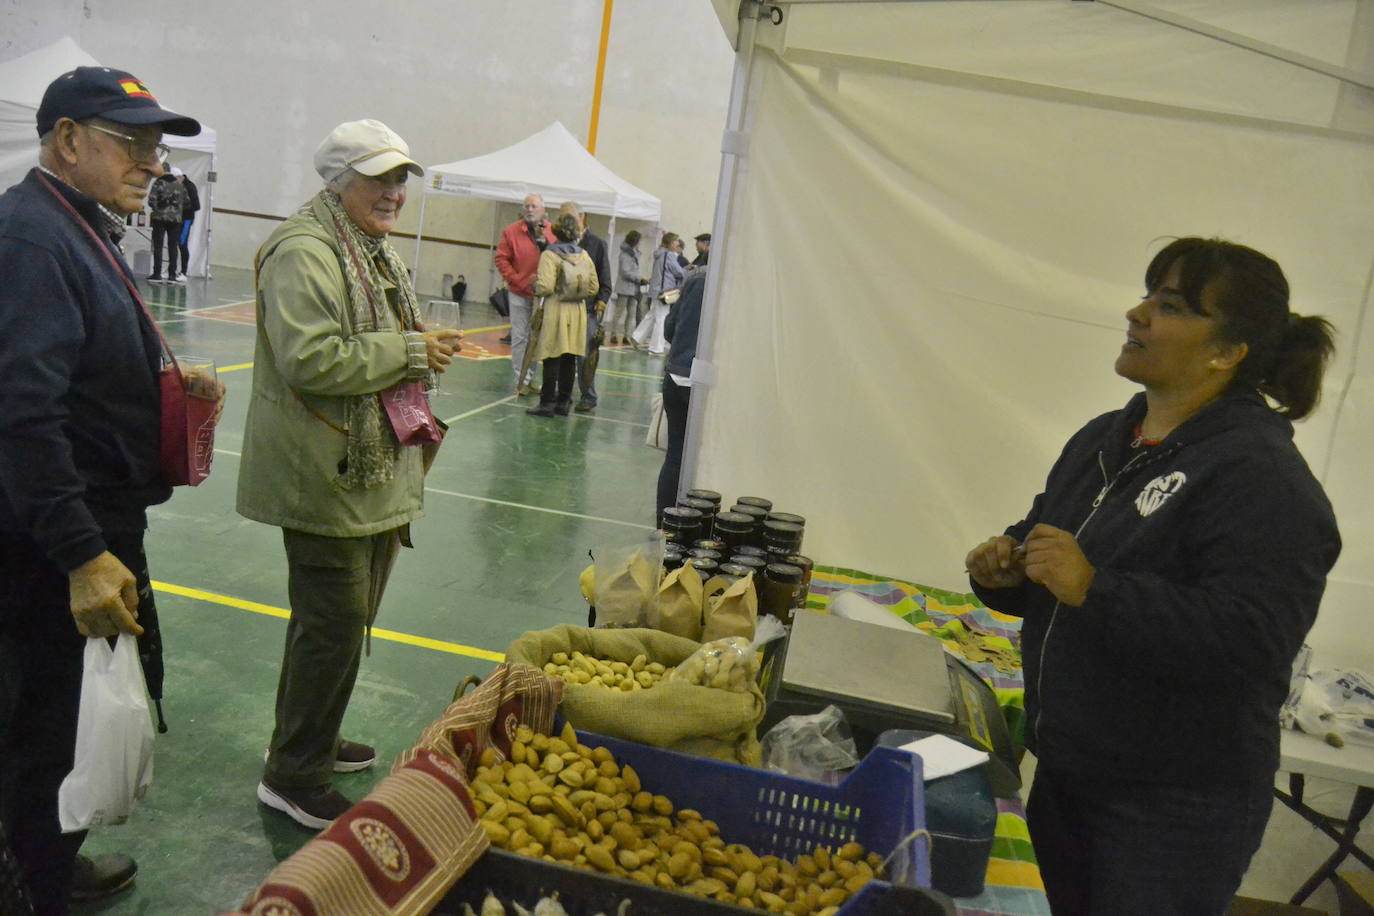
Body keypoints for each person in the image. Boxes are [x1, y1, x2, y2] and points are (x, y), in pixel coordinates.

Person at [963, 237, 1340, 916]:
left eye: (1169, 306)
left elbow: (1253, 639)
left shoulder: (1262, 479)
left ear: (1227, 352)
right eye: (1147, 295)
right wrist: (1006, 571)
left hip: (1174, 808)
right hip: (1070, 773)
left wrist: (1093, 587)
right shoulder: (1108, 436)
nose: (1136, 313)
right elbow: (1050, 544)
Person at [0, 65, 202, 913]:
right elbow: (23, 413)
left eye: (158, 146)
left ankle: (45, 855)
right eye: (134, 143)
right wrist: (83, 554)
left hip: (87, 520)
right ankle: (32, 882)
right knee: (45, 720)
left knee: (66, 712)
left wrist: (162, 379)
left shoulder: (77, 223)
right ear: (68, 140)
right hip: (51, 539)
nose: (153, 163)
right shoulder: (37, 240)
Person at [236, 119, 463, 830]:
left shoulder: (364, 248)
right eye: (380, 178)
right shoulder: (306, 251)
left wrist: (412, 348)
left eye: (401, 178)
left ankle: (315, 737)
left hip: (359, 472)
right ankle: (293, 772)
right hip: (321, 472)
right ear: (339, 181)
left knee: (338, 618)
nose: (395, 192)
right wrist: (412, 352)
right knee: (332, 622)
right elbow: (313, 359)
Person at [525, 212, 598, 418]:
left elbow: (546, 286)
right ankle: (564, 402)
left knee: (551, 356)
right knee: (569, 357)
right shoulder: (584, 255)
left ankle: (547, 403)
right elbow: (593, 287)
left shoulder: (550, 254)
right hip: (577, 310)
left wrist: (534, 284)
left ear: (556, 230)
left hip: (556, 307)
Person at [655, 269, 706, 518]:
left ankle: (665, 532)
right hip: (705, 383)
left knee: (675, 456)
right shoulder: (737, 284)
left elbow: (669, 328)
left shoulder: (696, 278)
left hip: (676, 377)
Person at [494, 193, 554, 395]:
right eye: (527, 206)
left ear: (543, 210)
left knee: (535, 337)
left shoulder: (552, 232)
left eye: (534, 206)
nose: (530, 209)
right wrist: (517, 279)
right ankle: (521, 379)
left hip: (544, 295)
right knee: (520, 336)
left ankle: (530, 378)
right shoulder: (511, 232)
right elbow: (501, 259)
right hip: (519, 292)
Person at [555, 201, 611, 413]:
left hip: (588, 309)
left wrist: (602, 300)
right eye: (562, 217)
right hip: (563, 307)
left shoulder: (597, 244)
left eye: (569, 217)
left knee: (586, 357)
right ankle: (564, 396)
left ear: (582, 218)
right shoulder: (558, 244)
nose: (565, 222)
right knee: (562, 355)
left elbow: (605, 279)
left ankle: (589, 396)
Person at [640, 231, 685, 355]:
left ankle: (636, 337)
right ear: (670, 243)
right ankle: (656, 348)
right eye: (676, 241)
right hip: (664, 291)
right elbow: (678, 272)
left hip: (655, 289)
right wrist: (686, 271)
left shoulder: (659, 254)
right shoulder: (669, 255)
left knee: (653, 315)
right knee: (661, 319)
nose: (677, 243)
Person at [145, 167, 184, 283]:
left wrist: (159, 209)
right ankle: (172, 274)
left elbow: (151, 200)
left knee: (158, 246)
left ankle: (157, 273)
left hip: (160, 218)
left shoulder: (158, 182)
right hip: (176, 220)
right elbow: (186, 201)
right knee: (173, 247)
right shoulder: (179, 184)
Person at [607, 229, 645, 347]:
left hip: (633, 288)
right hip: (624, 287)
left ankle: (627, 335)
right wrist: (639, 278)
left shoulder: (634, 253)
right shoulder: (624, 254)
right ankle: (613, 333)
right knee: (619, 312)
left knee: (631, 313)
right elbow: (625, 272)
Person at [174, 166, 199, 278]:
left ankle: (184, 272)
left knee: (182, 243)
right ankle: (175, 270)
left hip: (186, 220)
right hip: (177, 219)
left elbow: (196, 206)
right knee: (175, 244)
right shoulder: (177, 186)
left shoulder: (190, 187)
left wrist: (182, 208)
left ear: (179, 177)